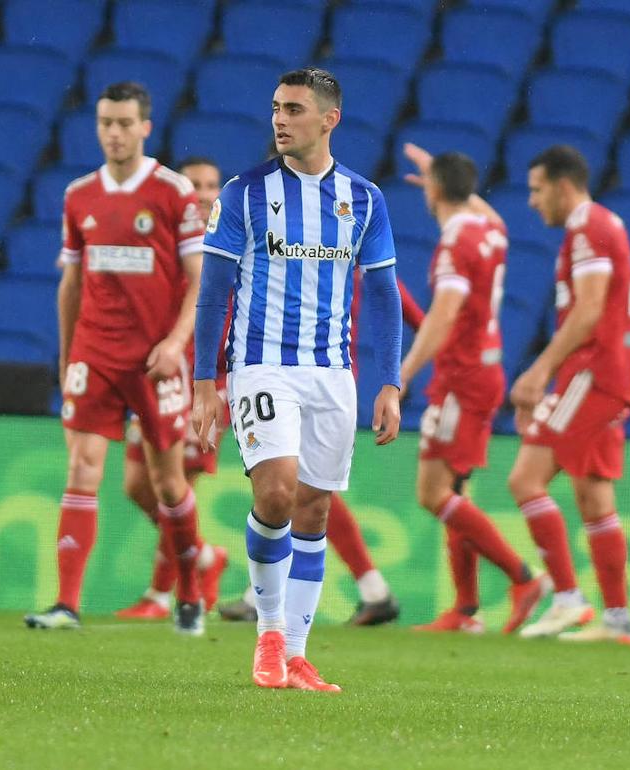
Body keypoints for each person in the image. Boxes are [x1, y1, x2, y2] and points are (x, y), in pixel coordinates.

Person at [193, 67, 404, 692]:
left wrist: (389, 381)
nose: (280, 120)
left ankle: (296, 655)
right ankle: (268, 634)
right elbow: (213, 291)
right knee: (277, 493)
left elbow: (384, 293)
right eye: (276, 108)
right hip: (261, 365)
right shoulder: (244, 194)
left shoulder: (364, 199)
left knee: (314, 509)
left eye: (294, 109)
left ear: (329, 119)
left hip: (331, 373)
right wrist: (206, 380)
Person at [23, 82, 208, 635]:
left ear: (145, 127)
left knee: (167, 484)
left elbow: (200, 281)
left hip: (154, 359)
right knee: (82, 466)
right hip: (96, 352)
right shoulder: (79, 195)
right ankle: (66, 604)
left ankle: (190, 592)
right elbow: (71, 283)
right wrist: (68, 357)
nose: (115, 133)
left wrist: (175, 343)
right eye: (106, 123)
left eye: (125, 123)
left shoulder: (173, 192)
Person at [216, 273, 428, 627]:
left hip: (318, 381)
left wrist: (396, 377)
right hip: (309, 379)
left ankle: (267, 596)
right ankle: (372, 589)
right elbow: (411, 311)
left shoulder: (340, 253)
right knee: (303, 488)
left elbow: (396, 301)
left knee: (300, 487)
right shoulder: (343, 257)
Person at [397, 149, 548, 634]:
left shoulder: (455, 243)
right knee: (455, 492)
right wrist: (445, 180)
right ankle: (465, 611)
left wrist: (405, 371)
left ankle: (524, 577)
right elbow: (494, 216)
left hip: (461, 379)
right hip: (483, 372)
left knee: (432, 493)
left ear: (435, 191)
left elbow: (444, 312)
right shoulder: (488, 231)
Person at [509, 145, 630, 644]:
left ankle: (567, 599)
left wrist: (539, 371)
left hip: (591, 373)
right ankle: (617, 620)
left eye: (537, 190)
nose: (532, 201)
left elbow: (589, 310)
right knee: (593, 496)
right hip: (606, 374)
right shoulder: (599, 225)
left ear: (563, 187)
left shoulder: (589, 227)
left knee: (526, 479)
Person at [116, 157, 228, 621]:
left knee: (175, 485)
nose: (203, 193)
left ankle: (163, 595)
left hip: (208, 382)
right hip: (159, 375)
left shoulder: (229, 242)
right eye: (194, 184)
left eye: (211, 185)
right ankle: (204, 556)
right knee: (137, 486)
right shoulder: (166, 241)